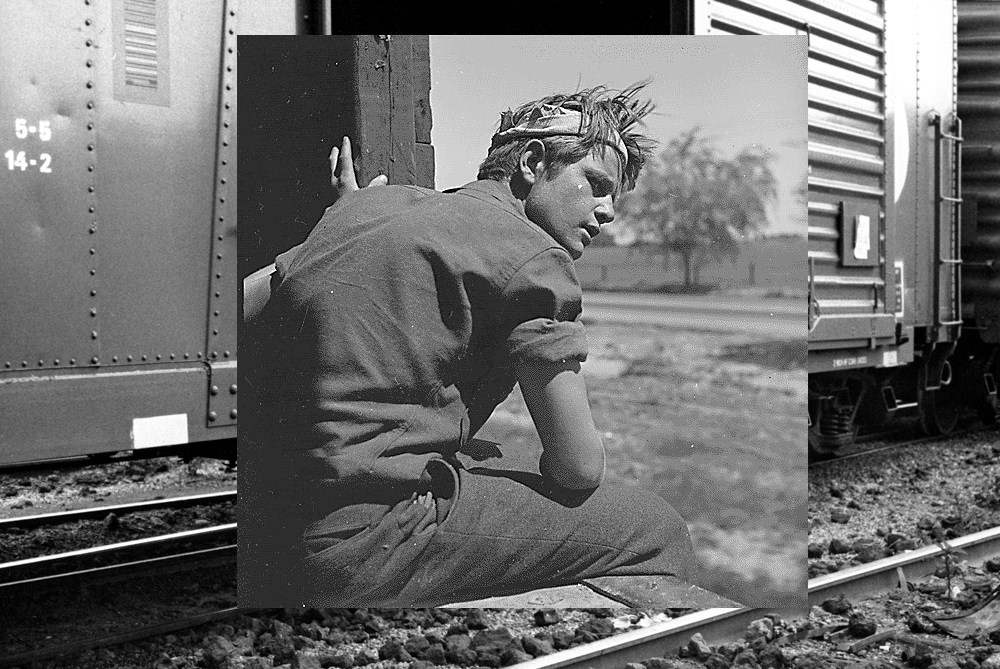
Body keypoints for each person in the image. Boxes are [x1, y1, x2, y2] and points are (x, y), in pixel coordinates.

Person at [240, 83, 697, 607]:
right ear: (531, 162)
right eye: (595, 184)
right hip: (359, 544)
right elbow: (578, 468)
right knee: (655, 528)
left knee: (487, 453)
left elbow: (242, 305)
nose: (608, 210)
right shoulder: (535, 258)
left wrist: (339, 231)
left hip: (261, 516)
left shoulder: (370, 208)